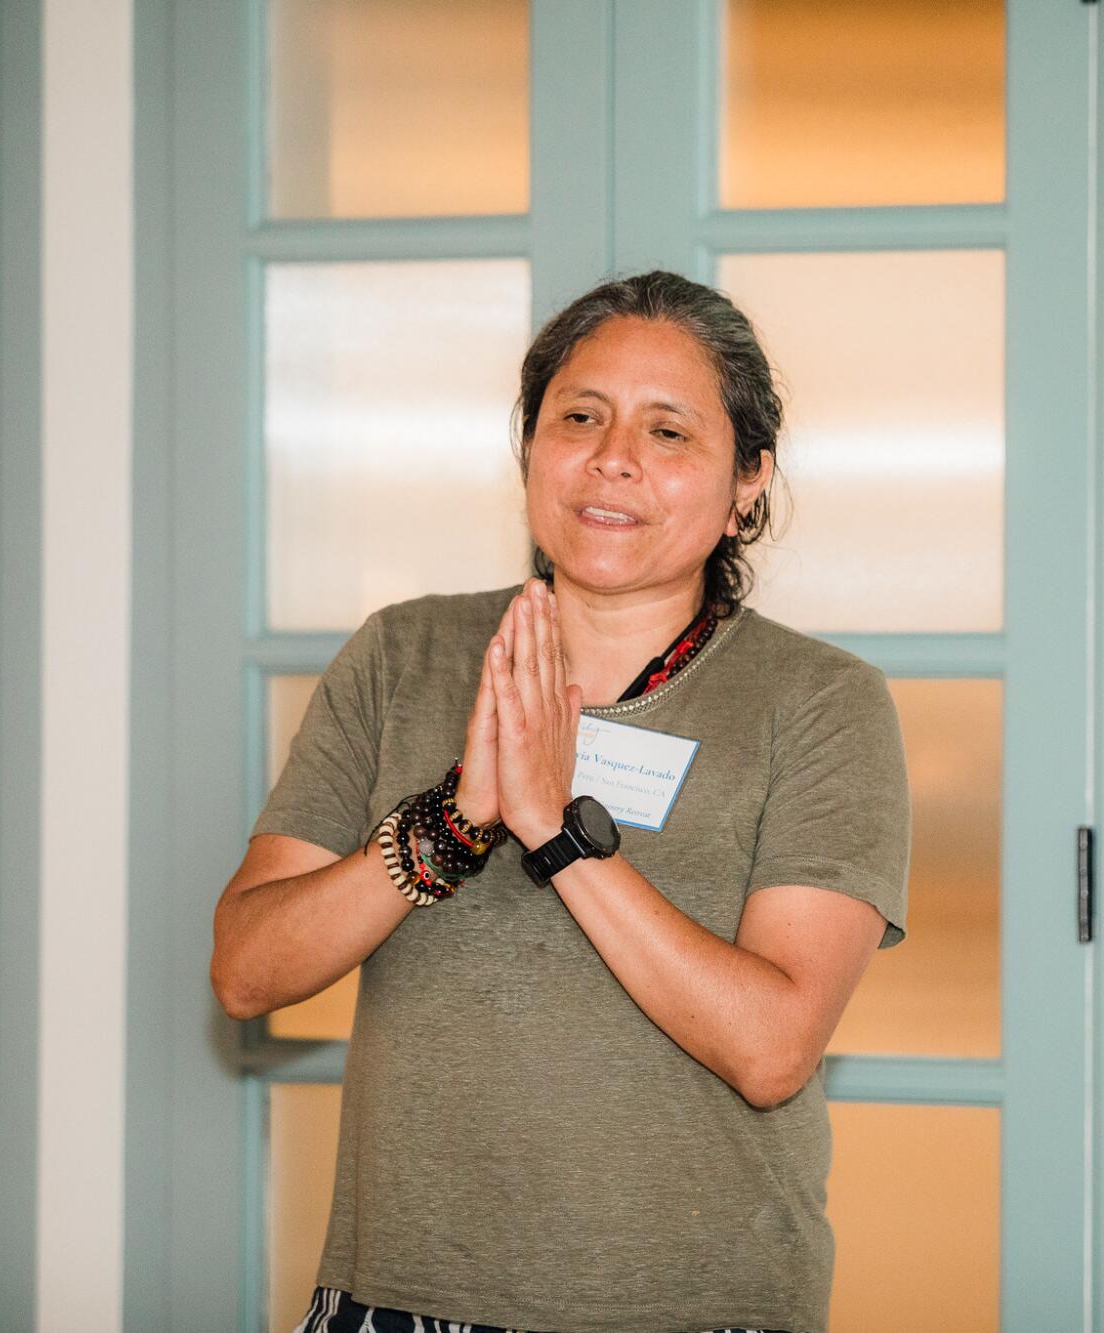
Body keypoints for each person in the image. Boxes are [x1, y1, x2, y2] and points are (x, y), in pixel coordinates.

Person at [211, 270, 912, 1333]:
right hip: (400, 1295)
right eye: (578, 416)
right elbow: (246, 969)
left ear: (747, 481)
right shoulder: (406, 654)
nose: (612, 457)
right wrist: (448, 824)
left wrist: (551, 825)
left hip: (695, 1307)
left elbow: (772, 1047)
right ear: (530, 448)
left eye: (668, 431)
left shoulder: (817, 702)